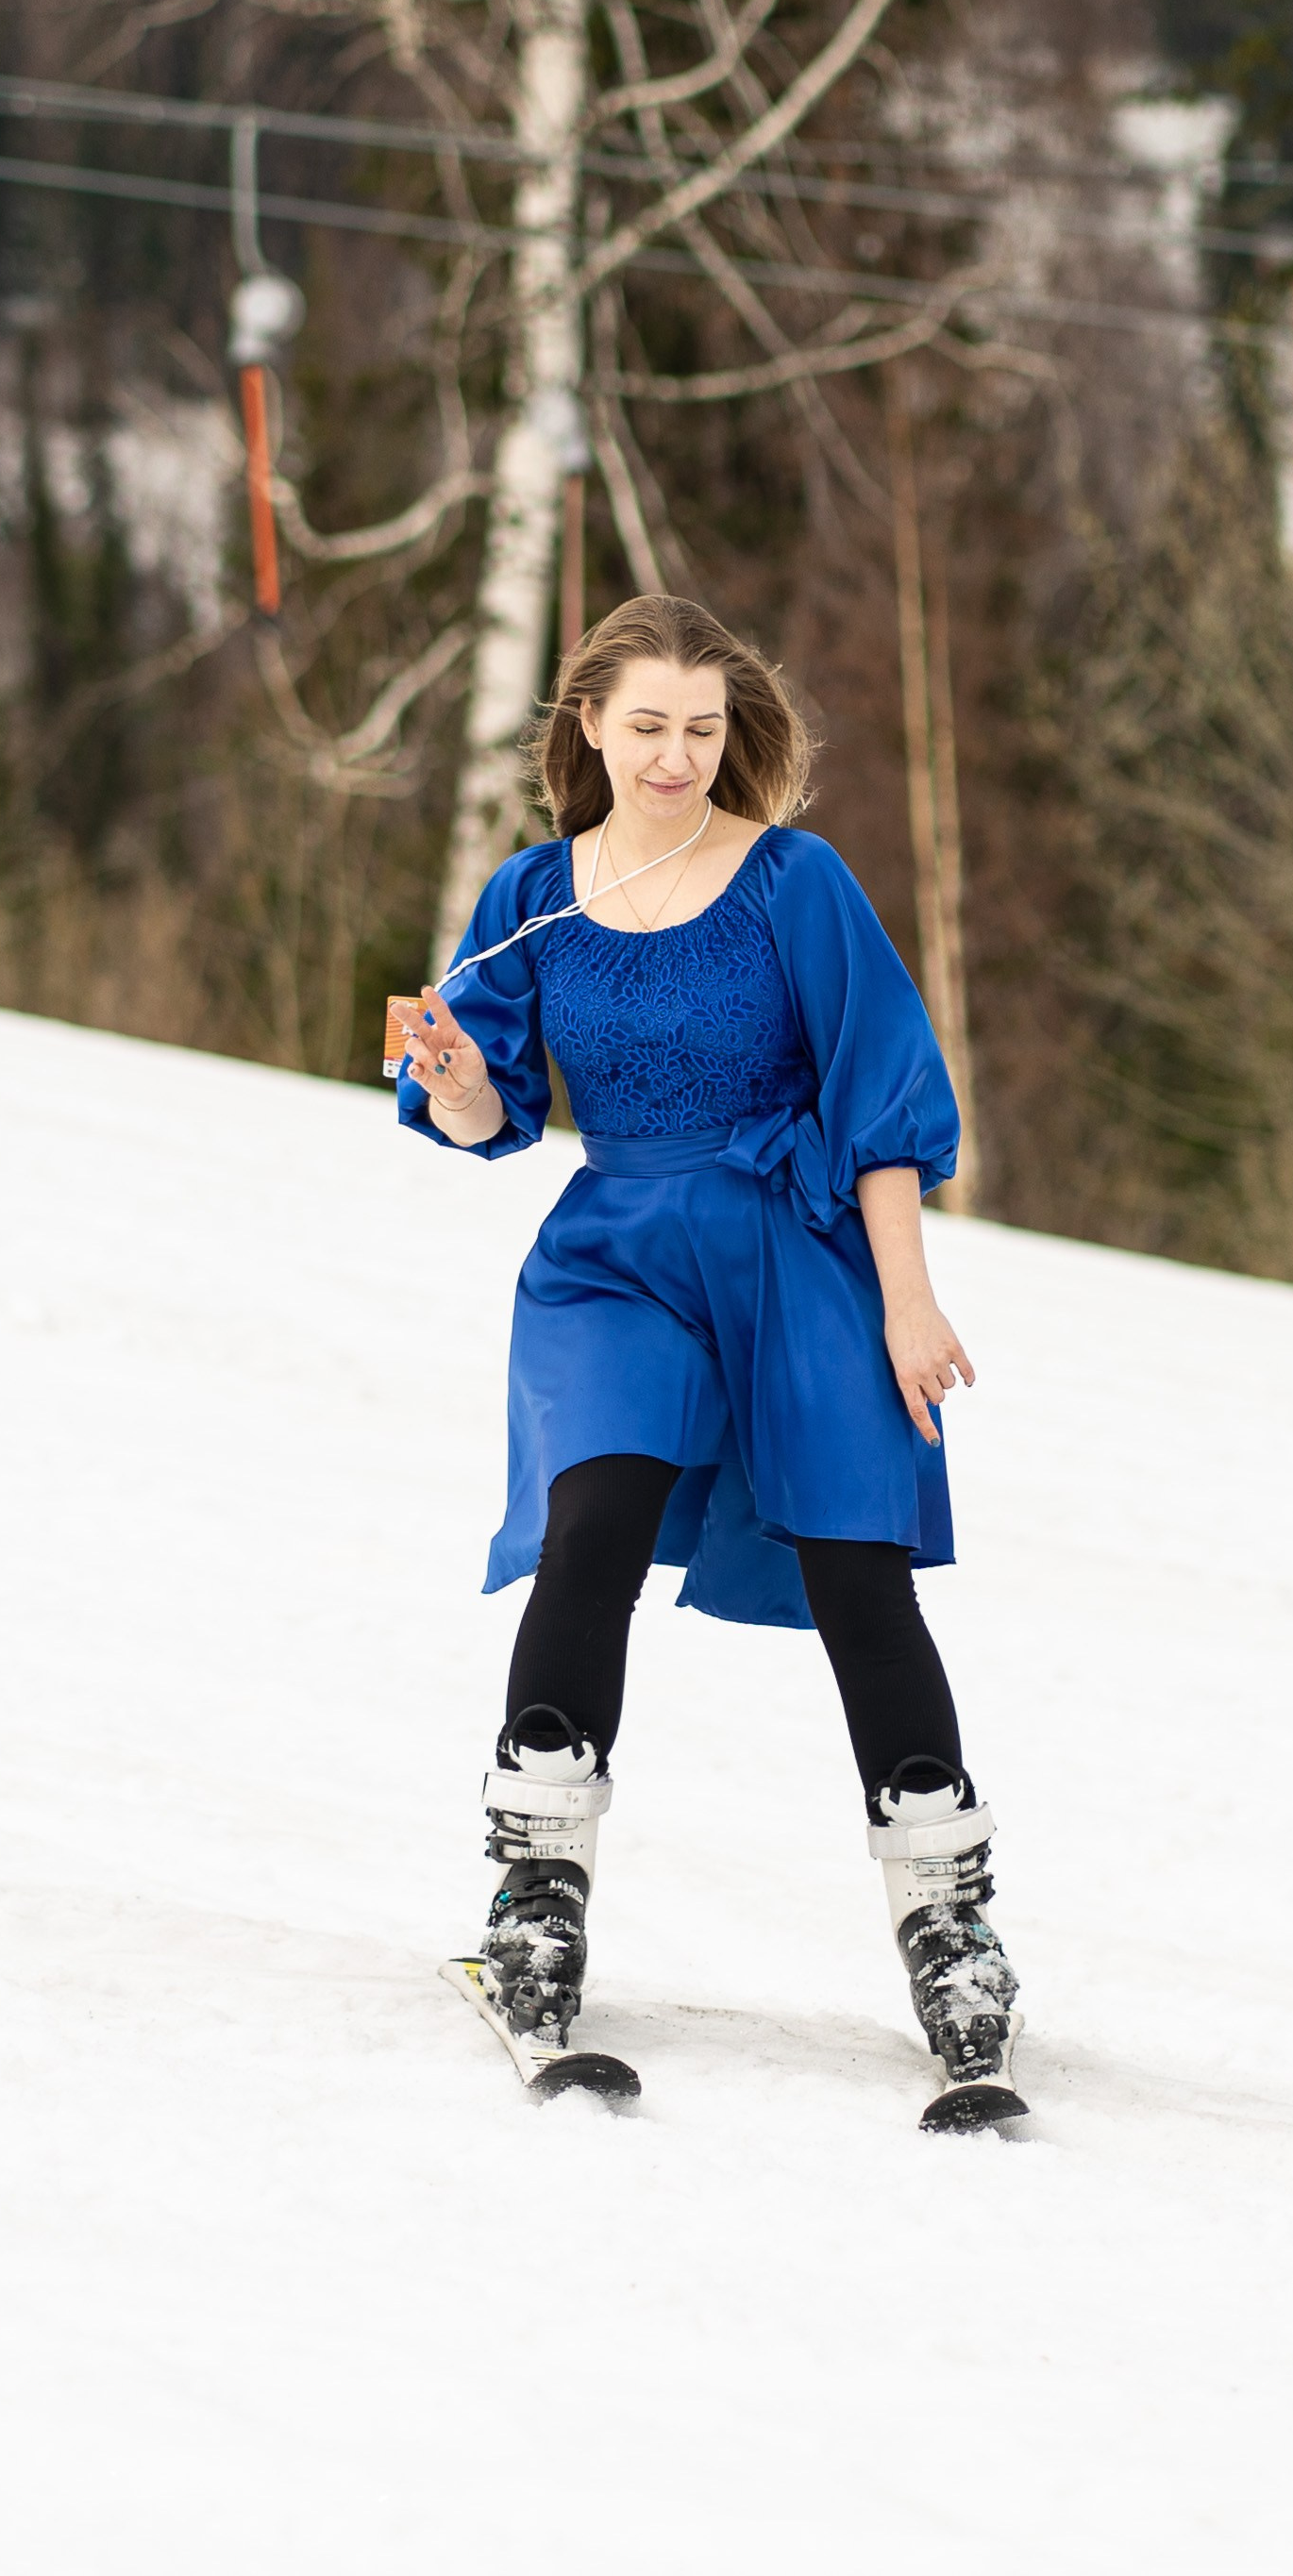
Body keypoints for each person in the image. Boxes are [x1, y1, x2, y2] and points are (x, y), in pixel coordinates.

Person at [394, 594, 1021, 2114]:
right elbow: (483, 1118)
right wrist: (468, 1078)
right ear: (588, 726)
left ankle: (949, 1926)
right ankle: (531, 1899)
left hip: (796, 1254)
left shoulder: (794, 879)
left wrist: (905, 1299)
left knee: (854, 1572)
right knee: (588, 1526)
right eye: (647, 723)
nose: (676, 753)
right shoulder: (534, 894)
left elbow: (880, 1099)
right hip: (614, 1256)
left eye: (702, 725)